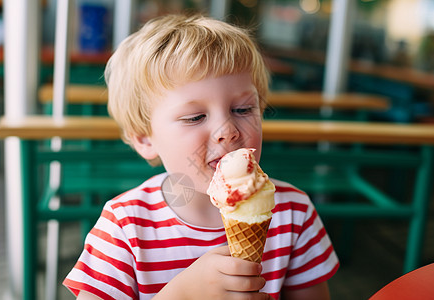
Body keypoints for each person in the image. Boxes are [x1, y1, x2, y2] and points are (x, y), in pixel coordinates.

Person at [63, 14, 339, 300]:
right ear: (145, 138)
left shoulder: (295, 213)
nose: (227, 131)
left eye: (243, 109)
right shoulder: (124, 226)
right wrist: (180, 295)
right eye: (195, 117)